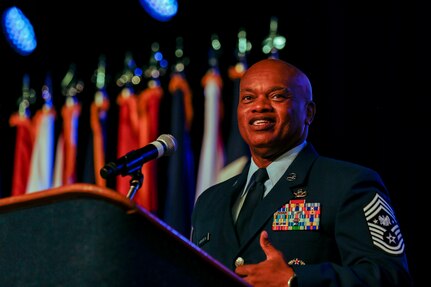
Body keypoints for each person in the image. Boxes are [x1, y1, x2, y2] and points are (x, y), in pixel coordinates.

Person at [190, 58, 413, 286]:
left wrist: (294, 280)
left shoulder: (348, 184)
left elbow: (391, 278)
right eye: (248, 98)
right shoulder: (209, 201)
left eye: (277, 96)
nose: (259, 106)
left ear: (309, 112)